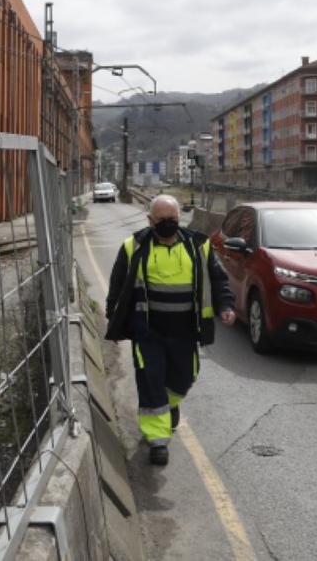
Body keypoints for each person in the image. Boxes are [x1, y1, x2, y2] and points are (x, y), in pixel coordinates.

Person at [105, 194, 236, 465]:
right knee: (150, 379)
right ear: (150, 220)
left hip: (186, 330)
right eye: (162, 220)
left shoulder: (199, 246)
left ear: (179, 218)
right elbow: (118, 286)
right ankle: (158, 440)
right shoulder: (134, 246)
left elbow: (218, 279)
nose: (168, 224)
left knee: (185, 377)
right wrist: (113, 317)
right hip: (148, 332)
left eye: (173, 219)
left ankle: (170, 404)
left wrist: (226, 305)